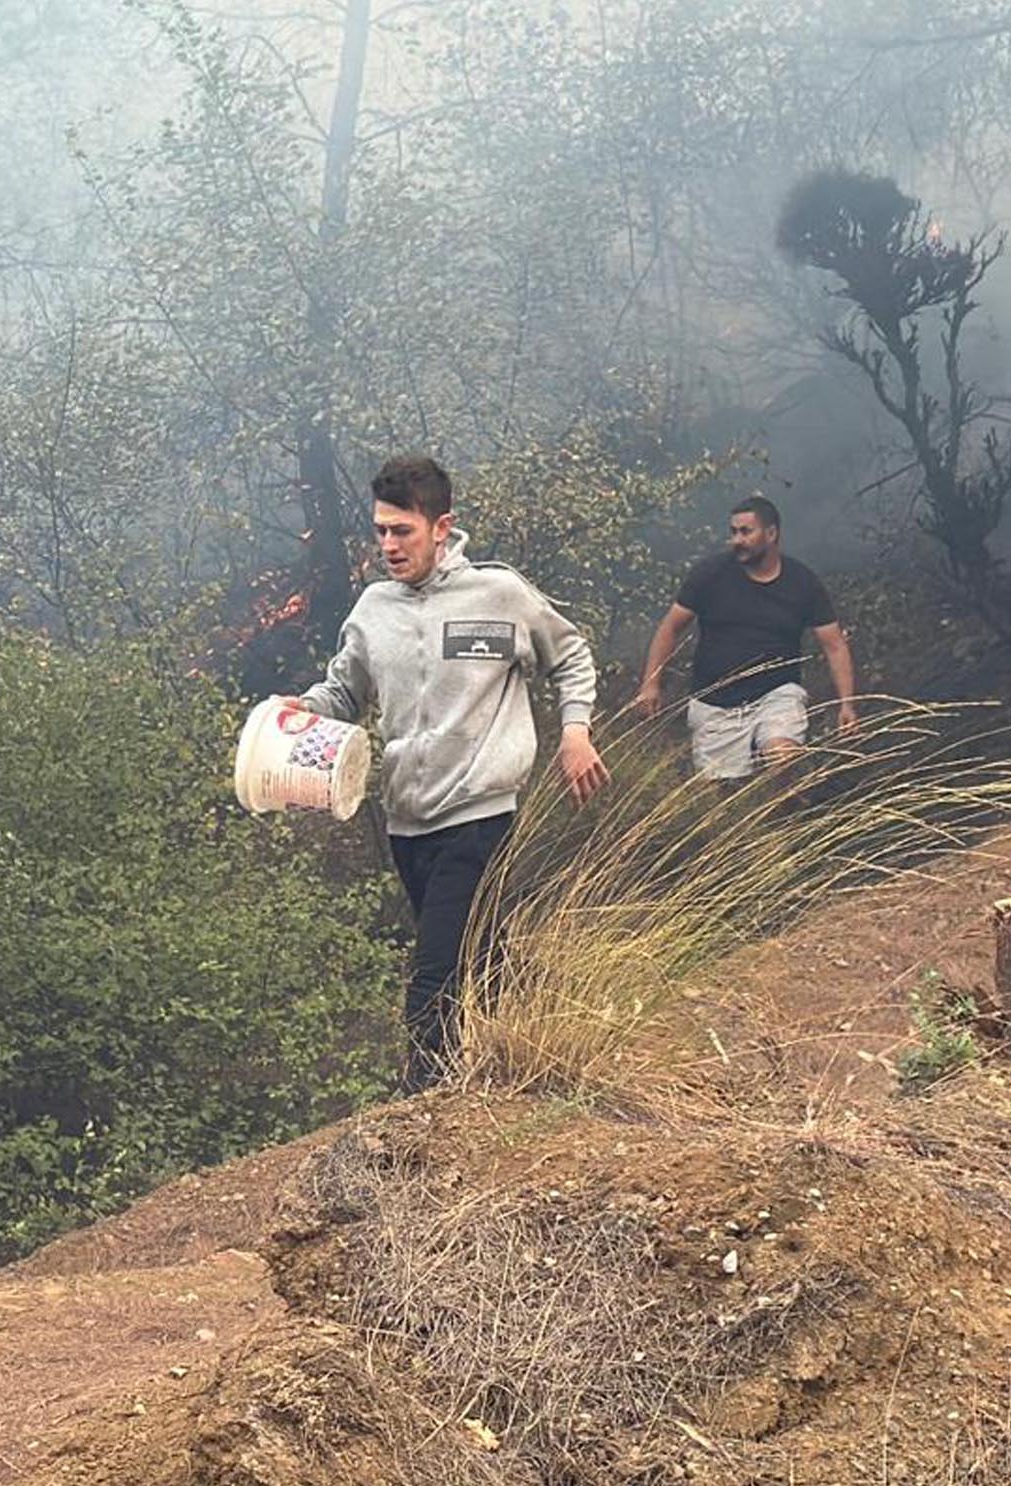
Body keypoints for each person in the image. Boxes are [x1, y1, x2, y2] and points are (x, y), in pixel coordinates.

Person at [289, 454, 608, 1091]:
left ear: (442, 526)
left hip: (480, 813)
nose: (388, 545)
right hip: (406, 821)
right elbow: (344, 693)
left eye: (401, 531)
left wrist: (575, 730)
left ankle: (423, 1105)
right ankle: (544, 1048)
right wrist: (300, 710)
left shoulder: (499, 594)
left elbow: (570, 655)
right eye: (379, 531)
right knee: (481, 956)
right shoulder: (373, 609)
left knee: (433, 974)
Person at [630, 496, 858, 778]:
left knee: (782, 759)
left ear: (771, 533)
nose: (737, 540)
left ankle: (790, 808)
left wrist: (846, 703)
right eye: (733, 532)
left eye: (746, 532)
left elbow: (834, 645)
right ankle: (765, 818)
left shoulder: (802, 583)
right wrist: (651, 685)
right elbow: (670, 628)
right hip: (715, 702)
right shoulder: (710, 575)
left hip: (777, 694)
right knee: (724, 798)